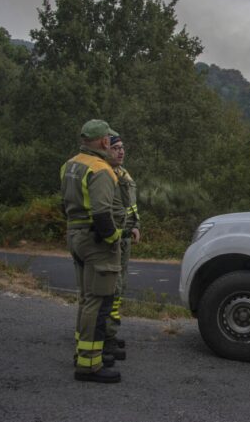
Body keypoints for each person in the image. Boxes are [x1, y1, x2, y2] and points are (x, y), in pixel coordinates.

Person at [60, 119, 123, 383]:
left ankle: (83, 354)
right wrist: (114, 237)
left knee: (87, 299)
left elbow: (63, 205)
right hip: (95, 242)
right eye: (110, 140)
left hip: (75, 234)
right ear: (104, 141)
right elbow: (101, 213)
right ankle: (89, 366)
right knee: (98, 302)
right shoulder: (101, 170)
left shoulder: (69, 165)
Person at [104, 134, 141, 358]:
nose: (121, 151)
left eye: (122, 147)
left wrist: (137, 225)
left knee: (120, 288)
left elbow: (132, 207)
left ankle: (111, 332)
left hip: (125, 238)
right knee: (111, 287)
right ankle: (105, 335)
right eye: (116, 148)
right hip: (113, 237)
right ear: (106, 150)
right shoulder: (104, 175)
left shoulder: (124, 174)